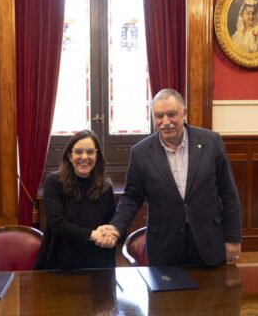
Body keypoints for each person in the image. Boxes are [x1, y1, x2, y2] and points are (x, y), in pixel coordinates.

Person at [97, 89, 242, 268]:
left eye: (172, 114)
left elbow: (229, 194)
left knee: (212, 295)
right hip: (165, 246)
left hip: (209, 242)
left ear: (184, 113)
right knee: (167, 296)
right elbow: (132, 198)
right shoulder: (140, 153)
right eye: (159, 116)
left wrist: (233, 238)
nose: (165, 122)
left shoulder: (211, 142)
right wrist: (115, 228)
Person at [34, 129, 116, 270]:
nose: (84, 157)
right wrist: (93, 235)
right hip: (60, 264)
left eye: (90, 152)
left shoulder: (106, 187)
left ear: (97, 156)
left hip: (98, 264)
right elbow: (58, 224)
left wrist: (110, 234)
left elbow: (112, 223)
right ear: (69, 156)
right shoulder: (53, 182)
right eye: (78, 152)